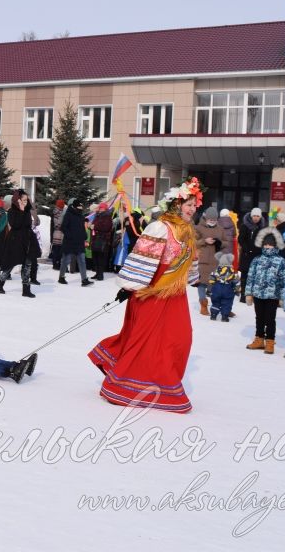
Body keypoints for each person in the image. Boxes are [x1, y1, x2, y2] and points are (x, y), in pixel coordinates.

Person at [88, 177, 203, 413]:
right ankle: (126, 386)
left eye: (194, 205)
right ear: (177, 204)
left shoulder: (187, 231)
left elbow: (188, 262)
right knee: (146, 341)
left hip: (174, 295)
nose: (192, 209)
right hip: (151, 293)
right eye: (188, 204)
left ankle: (158, 382)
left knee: (180, 339)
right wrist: (129, 286)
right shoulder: (161, 227)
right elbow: (142, 259)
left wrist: (193, 276)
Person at [244, 227, 285, 355]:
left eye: (270, 244)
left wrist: (282, 297)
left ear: (276, 245)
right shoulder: (257, 260)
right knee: (259, 317)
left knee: (270, 319)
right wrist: (248, 293)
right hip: (258, 294)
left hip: (272, 296)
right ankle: (259, 339)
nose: (268, 247)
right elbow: (251, 277)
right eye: (265, 244)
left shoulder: (281, 261)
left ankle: (270, 341)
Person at [0, 190, 41, 298]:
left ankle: (26, 290)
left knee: (27, 265)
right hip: (15, 241)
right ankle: (0, 283)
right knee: (11, 264)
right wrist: (21, 211)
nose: (26, 202)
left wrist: (25, 211)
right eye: (24, 200)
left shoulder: (27, 211)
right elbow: (15, 225)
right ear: (18, 200)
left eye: (27, 200)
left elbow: (28, 225)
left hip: (27, 240)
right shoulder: (12, 211)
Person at [194, 206, 226, 316]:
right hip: (203, 260)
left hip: (216, 260)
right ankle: (203, 305)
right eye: (210, 219)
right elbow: (193, 242)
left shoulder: (220, 229)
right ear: (206, 218)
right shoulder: (198, 228)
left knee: (215, 285)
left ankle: (219, 306)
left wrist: (219, 243)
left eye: (214, 220)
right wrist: (204, 241)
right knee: (202, 284)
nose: (212, 221)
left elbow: (226, 242)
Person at [58, 198, 93, 287]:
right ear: (75, 206)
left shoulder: (81, 216)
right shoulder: (68, 215)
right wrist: (70, 236)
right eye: (79, 206)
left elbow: (82, 228)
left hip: (79, 242)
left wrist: (84, 235)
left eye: (81, 206)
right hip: (69, 242)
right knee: (65, 261)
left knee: (82, 260)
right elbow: (63, 227)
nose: (81, 208)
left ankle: (84, 280)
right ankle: (61, 277)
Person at [238, 207, 267, 303]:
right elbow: (241, 239)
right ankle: (243, 295)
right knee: (245, 276)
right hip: (247, 255)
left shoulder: (262, 227)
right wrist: (247, 249)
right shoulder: (245, 226)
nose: (256, 218)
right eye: (254, 216)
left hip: (258, 255)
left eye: (258, 216)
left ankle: (253, 295)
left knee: (255, 276)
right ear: (251, 216)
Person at [207, 253, 239, 322]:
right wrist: (237, 290)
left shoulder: (216, 270)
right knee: (227, 302)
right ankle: (224, 316)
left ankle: (213, 315)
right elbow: (236, 281)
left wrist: (212, 285)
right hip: (228, 289)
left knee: (215, 302)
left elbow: (211, 279)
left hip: (217, 288)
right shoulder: (232, 271)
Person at [50, 199, 66, 270]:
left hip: (55, 233)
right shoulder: (62, 213)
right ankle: (58, 264)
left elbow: (52, 225)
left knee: (55, 249)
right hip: (61, 233)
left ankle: (55, 264)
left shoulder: (54, 212)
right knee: (59, 250)